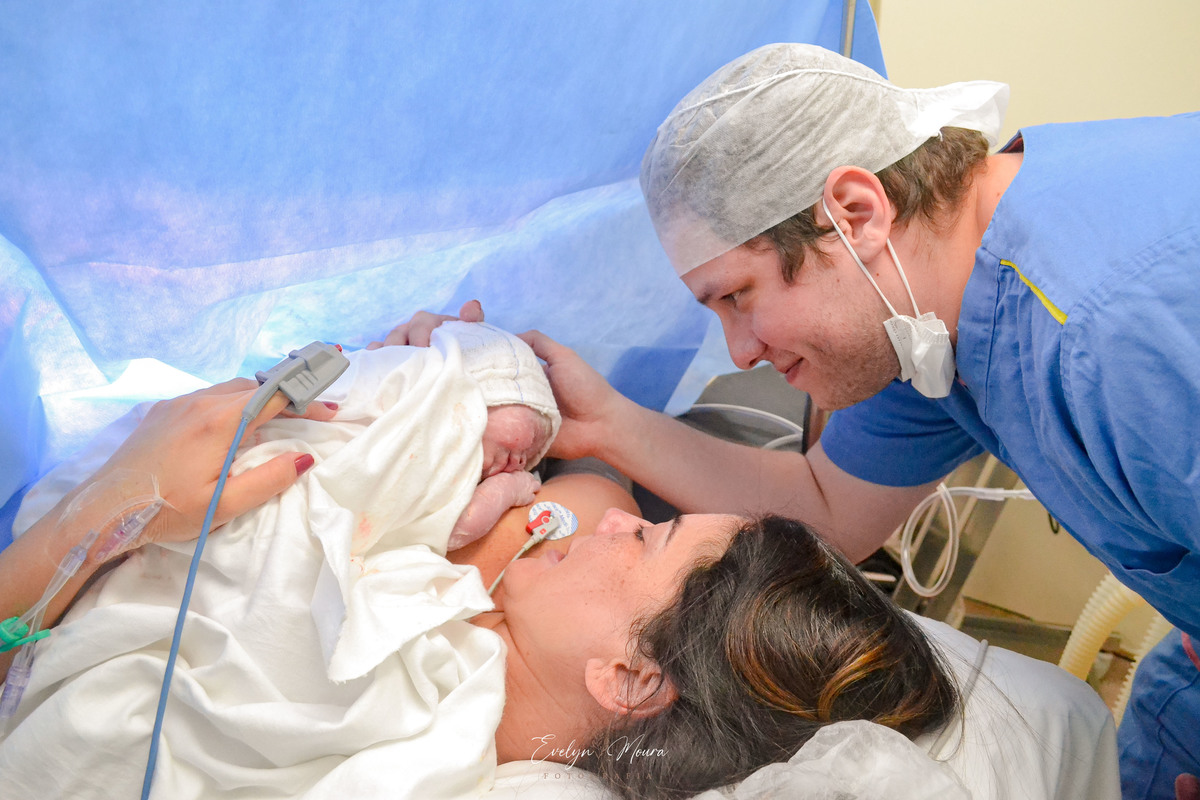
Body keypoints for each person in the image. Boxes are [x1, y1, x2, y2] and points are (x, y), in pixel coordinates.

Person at [393, 43, 1199, 798]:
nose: (739, 351)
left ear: (855, 212)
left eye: (738, 296)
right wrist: (603, 425)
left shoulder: (1114, 339)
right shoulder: (923, 324)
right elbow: (830, 506)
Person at [0, 323, 1117, 799]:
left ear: (627, 677)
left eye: (649, 539)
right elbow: (563, 474)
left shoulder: (416, 729)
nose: (619, 524)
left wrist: (104, 512)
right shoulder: (544, 560)